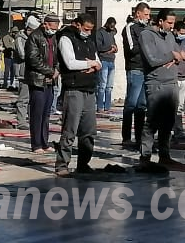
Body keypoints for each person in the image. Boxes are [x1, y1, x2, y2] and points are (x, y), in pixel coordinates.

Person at [137, 9, 185, 171]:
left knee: (168, 122)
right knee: (152, 121)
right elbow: (152, 59)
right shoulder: (147, 35)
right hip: (156, 83)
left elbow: (180, 54)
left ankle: (165, 155)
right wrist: (172, 55)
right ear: (160, 21)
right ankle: (145, 157)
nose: (172, 27)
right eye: (169, 23)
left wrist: (178, 55)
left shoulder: (170, 35)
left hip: (171, 82)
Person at [55, 14, 100, 177]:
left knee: (88, 130)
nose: (88, 32)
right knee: (70, 129)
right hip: (73, 89)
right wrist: (90, 63)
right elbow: (70, 63)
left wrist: (94, 65)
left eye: (90, 30)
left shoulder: (90, 41)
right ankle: (62, 164)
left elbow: (98, 61)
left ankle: (83, 163)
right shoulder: (66, 39)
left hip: (89, 89)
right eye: (86, 29)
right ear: (78, 25)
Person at [25, 13, 59, 153]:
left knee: (46, 114)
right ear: (45, 24)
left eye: (56, 28)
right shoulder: (35, 37)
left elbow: (57, 56)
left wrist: (56, 69)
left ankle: (45, 142)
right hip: (38, 80)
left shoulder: (54, 38)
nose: (53, 30)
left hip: (51, 81)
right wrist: (50, 71)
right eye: (52, 27)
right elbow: (33, 59)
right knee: (37, 114)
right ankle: (36, 144)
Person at [120, 2, 150, 151]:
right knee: (131, 104)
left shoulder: (147, 28)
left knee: (141, 106)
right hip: (135, 69)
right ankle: (126, 137)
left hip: (146, 69)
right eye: (146, 14)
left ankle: (139, 137)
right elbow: (132, 48)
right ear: (138, 13)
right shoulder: (130, 27)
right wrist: (145, 43)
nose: (148, 17)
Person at [13, 15, 37, 129]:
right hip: (23, 72)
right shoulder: (20, 38)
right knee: (23, 99)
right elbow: (22, 54)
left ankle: (32, 120)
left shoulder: (34, 38)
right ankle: (21, 121)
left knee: (33, 99)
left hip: (34, 72)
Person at [93, 17, 118, 113]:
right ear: (107, 24)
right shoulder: (100, 32)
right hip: (103, 60)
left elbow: (114, 45)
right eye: (111, 26)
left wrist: (114, 48)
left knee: (109, 86)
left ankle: (107, 106)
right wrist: (109, 49)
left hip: (111, 60)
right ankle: (100, 106)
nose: (112, 28)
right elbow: (99, 46)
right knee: (102, 85)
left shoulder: (111, 33)